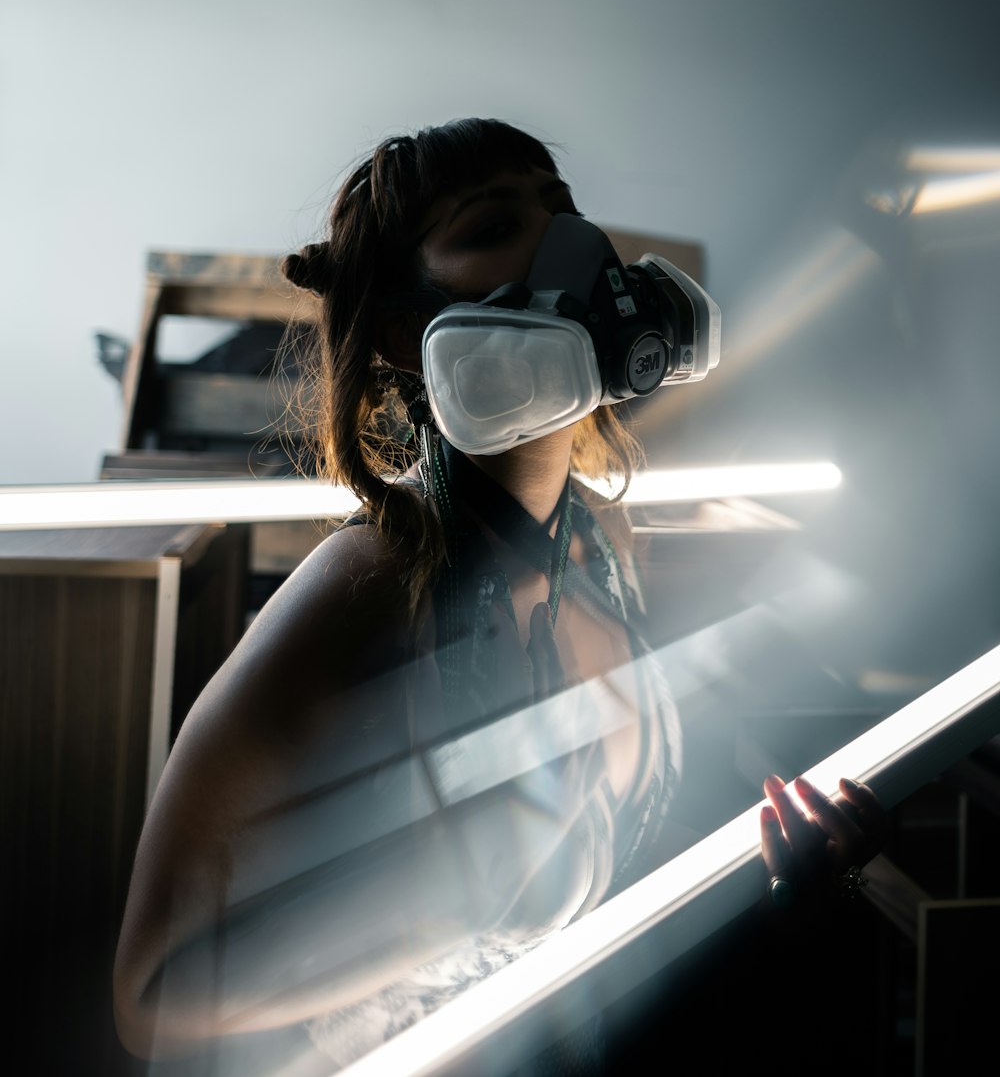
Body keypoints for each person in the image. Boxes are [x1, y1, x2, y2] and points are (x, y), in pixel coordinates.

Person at [113, 118, 885, 1074]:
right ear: (405, 330)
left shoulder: (604, 540)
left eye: (562, 212)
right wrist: (432, 911)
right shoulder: (364, 588)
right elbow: (152, 1000)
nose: (574, 251)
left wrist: (787, 880)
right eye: (493, 227)